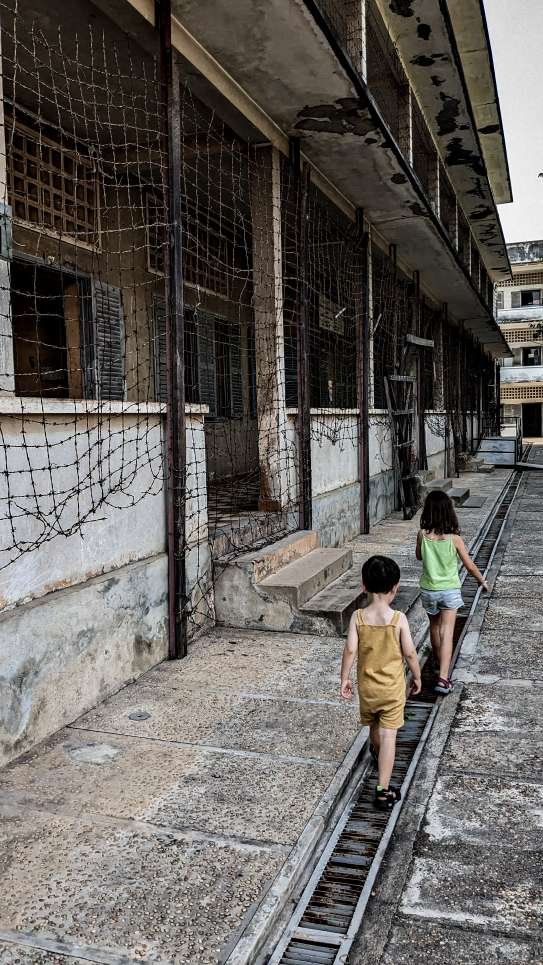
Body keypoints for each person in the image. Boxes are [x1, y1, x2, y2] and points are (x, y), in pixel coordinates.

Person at [340, 555, 421, 811]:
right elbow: (409, 653)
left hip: (368, 689)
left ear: (363, 585)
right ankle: (383, 790)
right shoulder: (398, 619)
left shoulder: (358, 618)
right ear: (395, 587)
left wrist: (344, 677)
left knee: (374, 727)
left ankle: (375, 752)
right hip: (392, 691)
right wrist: (417, 675)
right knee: (389, 736)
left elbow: (351, 649)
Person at [417, 490, 488, 695]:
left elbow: (419, 556)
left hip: (429, 589)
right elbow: (470, 566)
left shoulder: (422, 534)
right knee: (447, 633)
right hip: (449, 590)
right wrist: (482, 581)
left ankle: (439, 663)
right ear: (449, 512)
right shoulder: (454, 539)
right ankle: (444, 678)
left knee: (435, 626)